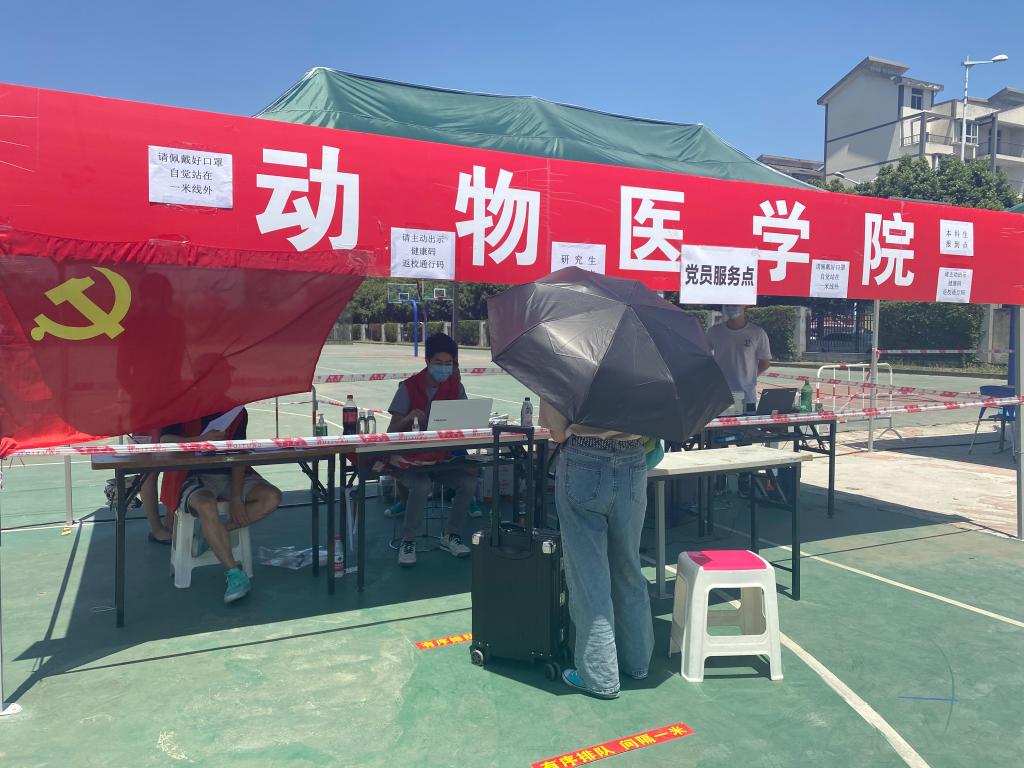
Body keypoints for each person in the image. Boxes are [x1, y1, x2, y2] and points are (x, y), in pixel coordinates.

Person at [540, 401, 653, 700]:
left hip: (583, 459)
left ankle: (599, 676)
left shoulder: (568, 370)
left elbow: (557, 434)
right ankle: (637, 661)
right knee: (629, 566)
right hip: (633, 460)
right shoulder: (644, 372)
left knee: (588, 575)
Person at [160, 408, 283, 603]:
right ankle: (234, 573)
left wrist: (236, 498)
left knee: (272, 497)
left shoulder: (237, 411)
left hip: (229, 475)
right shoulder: (183, 405)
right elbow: (165, 441)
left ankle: (212, 533)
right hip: (190, 475)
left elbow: (239, 453)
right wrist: (201, 441)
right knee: (206, 504)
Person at [385, 333, 476, 567]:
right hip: (408, 460)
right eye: (438, 362)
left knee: (468, 483)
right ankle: (409, 540)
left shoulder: (456, 387)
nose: (444, 368)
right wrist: (407, 419)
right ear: (427, 361)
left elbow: (466, 421)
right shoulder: (408, 388)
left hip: (439, 458)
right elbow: (390, 431)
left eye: (449, 363)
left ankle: (451, 535)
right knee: (422, 485)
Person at [706, 305, 772, 414]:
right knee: (721, 423)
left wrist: (749, 377)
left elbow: (765, 362)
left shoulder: (757, 332)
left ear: (744, 306)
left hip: (748, 396)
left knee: (749, 423)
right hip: (721, 395)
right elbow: (704, 356)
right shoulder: (714, 332)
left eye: (735, 304)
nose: (731, 307)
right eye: (728, 304)